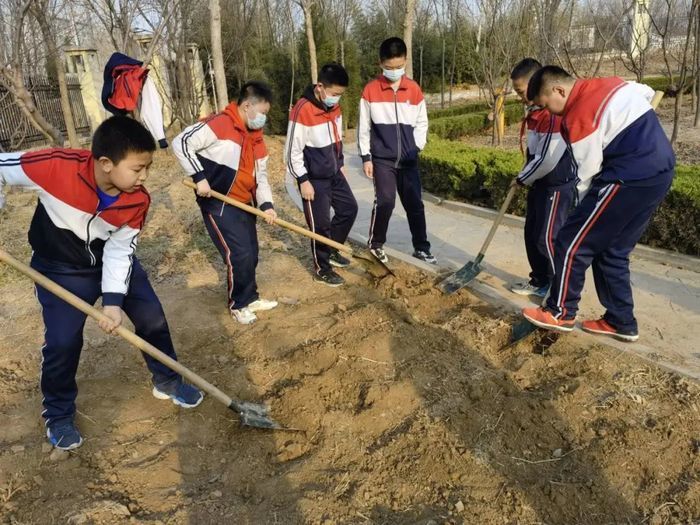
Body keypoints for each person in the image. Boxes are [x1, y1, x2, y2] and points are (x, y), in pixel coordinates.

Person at [0, 116, 204, 451]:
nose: (144, 177)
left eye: (148, 168)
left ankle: (167, 379)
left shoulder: (137, 199)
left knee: (151, 317)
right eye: (138, 168)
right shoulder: (54, 166)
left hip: (111, 260)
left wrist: (113, 301)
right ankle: (58, 413)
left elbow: (121, 250)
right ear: (106, 163)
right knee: (63, 343)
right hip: (59, 270)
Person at [522, 66, 675, 342]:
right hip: (660, 171)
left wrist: (579, 214)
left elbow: (586, 175)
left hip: (628, 176)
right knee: (612, 250)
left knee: (571, 241)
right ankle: (621, 321)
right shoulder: (612, 83)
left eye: (547, 105)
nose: (551, 113)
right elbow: (646, 91)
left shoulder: (579, 114)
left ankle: (560, 312)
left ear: (559, 90)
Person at [173, 81, 278, 325]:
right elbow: (181, 142)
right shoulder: (220, 123)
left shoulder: (257, 138)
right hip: (218, 203)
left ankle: (250, 297)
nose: (264, 118)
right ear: (247, 105)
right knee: (238, 254)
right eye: (262, 112)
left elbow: (260, 177)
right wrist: (199, 177)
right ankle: (238, 304)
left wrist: (266, 205)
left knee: (251, 253)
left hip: (245, 203)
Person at [358, 37, 436, 265]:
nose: (395, 71)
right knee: (385, 201)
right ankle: (375, 244)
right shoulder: (371, 90)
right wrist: (366, 157)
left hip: (409, 160)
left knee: (415, 204)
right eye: (390, 68)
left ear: (405, 61)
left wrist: (416, 147)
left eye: (399, 67)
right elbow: (364, 127)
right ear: (380, 63)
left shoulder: (413, 89)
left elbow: (422, 122)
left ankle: (422, 248)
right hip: (383, 160)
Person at [285, 63, 358, 287]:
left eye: (340, 95)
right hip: (314, 178)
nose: (337, 99)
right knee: (321, 224)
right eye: (334, 94)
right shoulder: (302, 109)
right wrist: (303, 180)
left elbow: (337, 137)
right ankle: (322, 268)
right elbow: (291, 151)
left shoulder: (334, 108)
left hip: (334, 172)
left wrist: (340, 162)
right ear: (320, 87)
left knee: (349, 209)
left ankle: (332, 249)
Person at [509, 58, 575, 299]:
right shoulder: (536, 112)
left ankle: (558, 288)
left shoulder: (553, 114)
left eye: (520, 90)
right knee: (532, 232)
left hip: (556, 185)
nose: (519, 96)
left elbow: (548, 158)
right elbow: (535, 152)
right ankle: (539, 280)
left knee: (546, 238)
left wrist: (522, 178)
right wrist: (527, 176)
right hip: (539, 182)